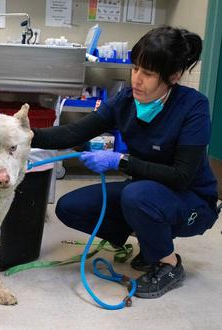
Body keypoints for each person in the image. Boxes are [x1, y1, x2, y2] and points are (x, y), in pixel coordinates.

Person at [30, 25, 219, 299]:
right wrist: (23, 134)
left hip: (192, 200)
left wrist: (121, 161)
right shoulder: (126, 101)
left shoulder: (194, 107)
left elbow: (181, 177)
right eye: (135, 68)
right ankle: (151, 242)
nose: (137, 80)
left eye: (149, 73)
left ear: (174, 77)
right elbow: (73, 132)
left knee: (136, 195)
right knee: (70, 207)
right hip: (146, 192)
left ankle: (169, 263)